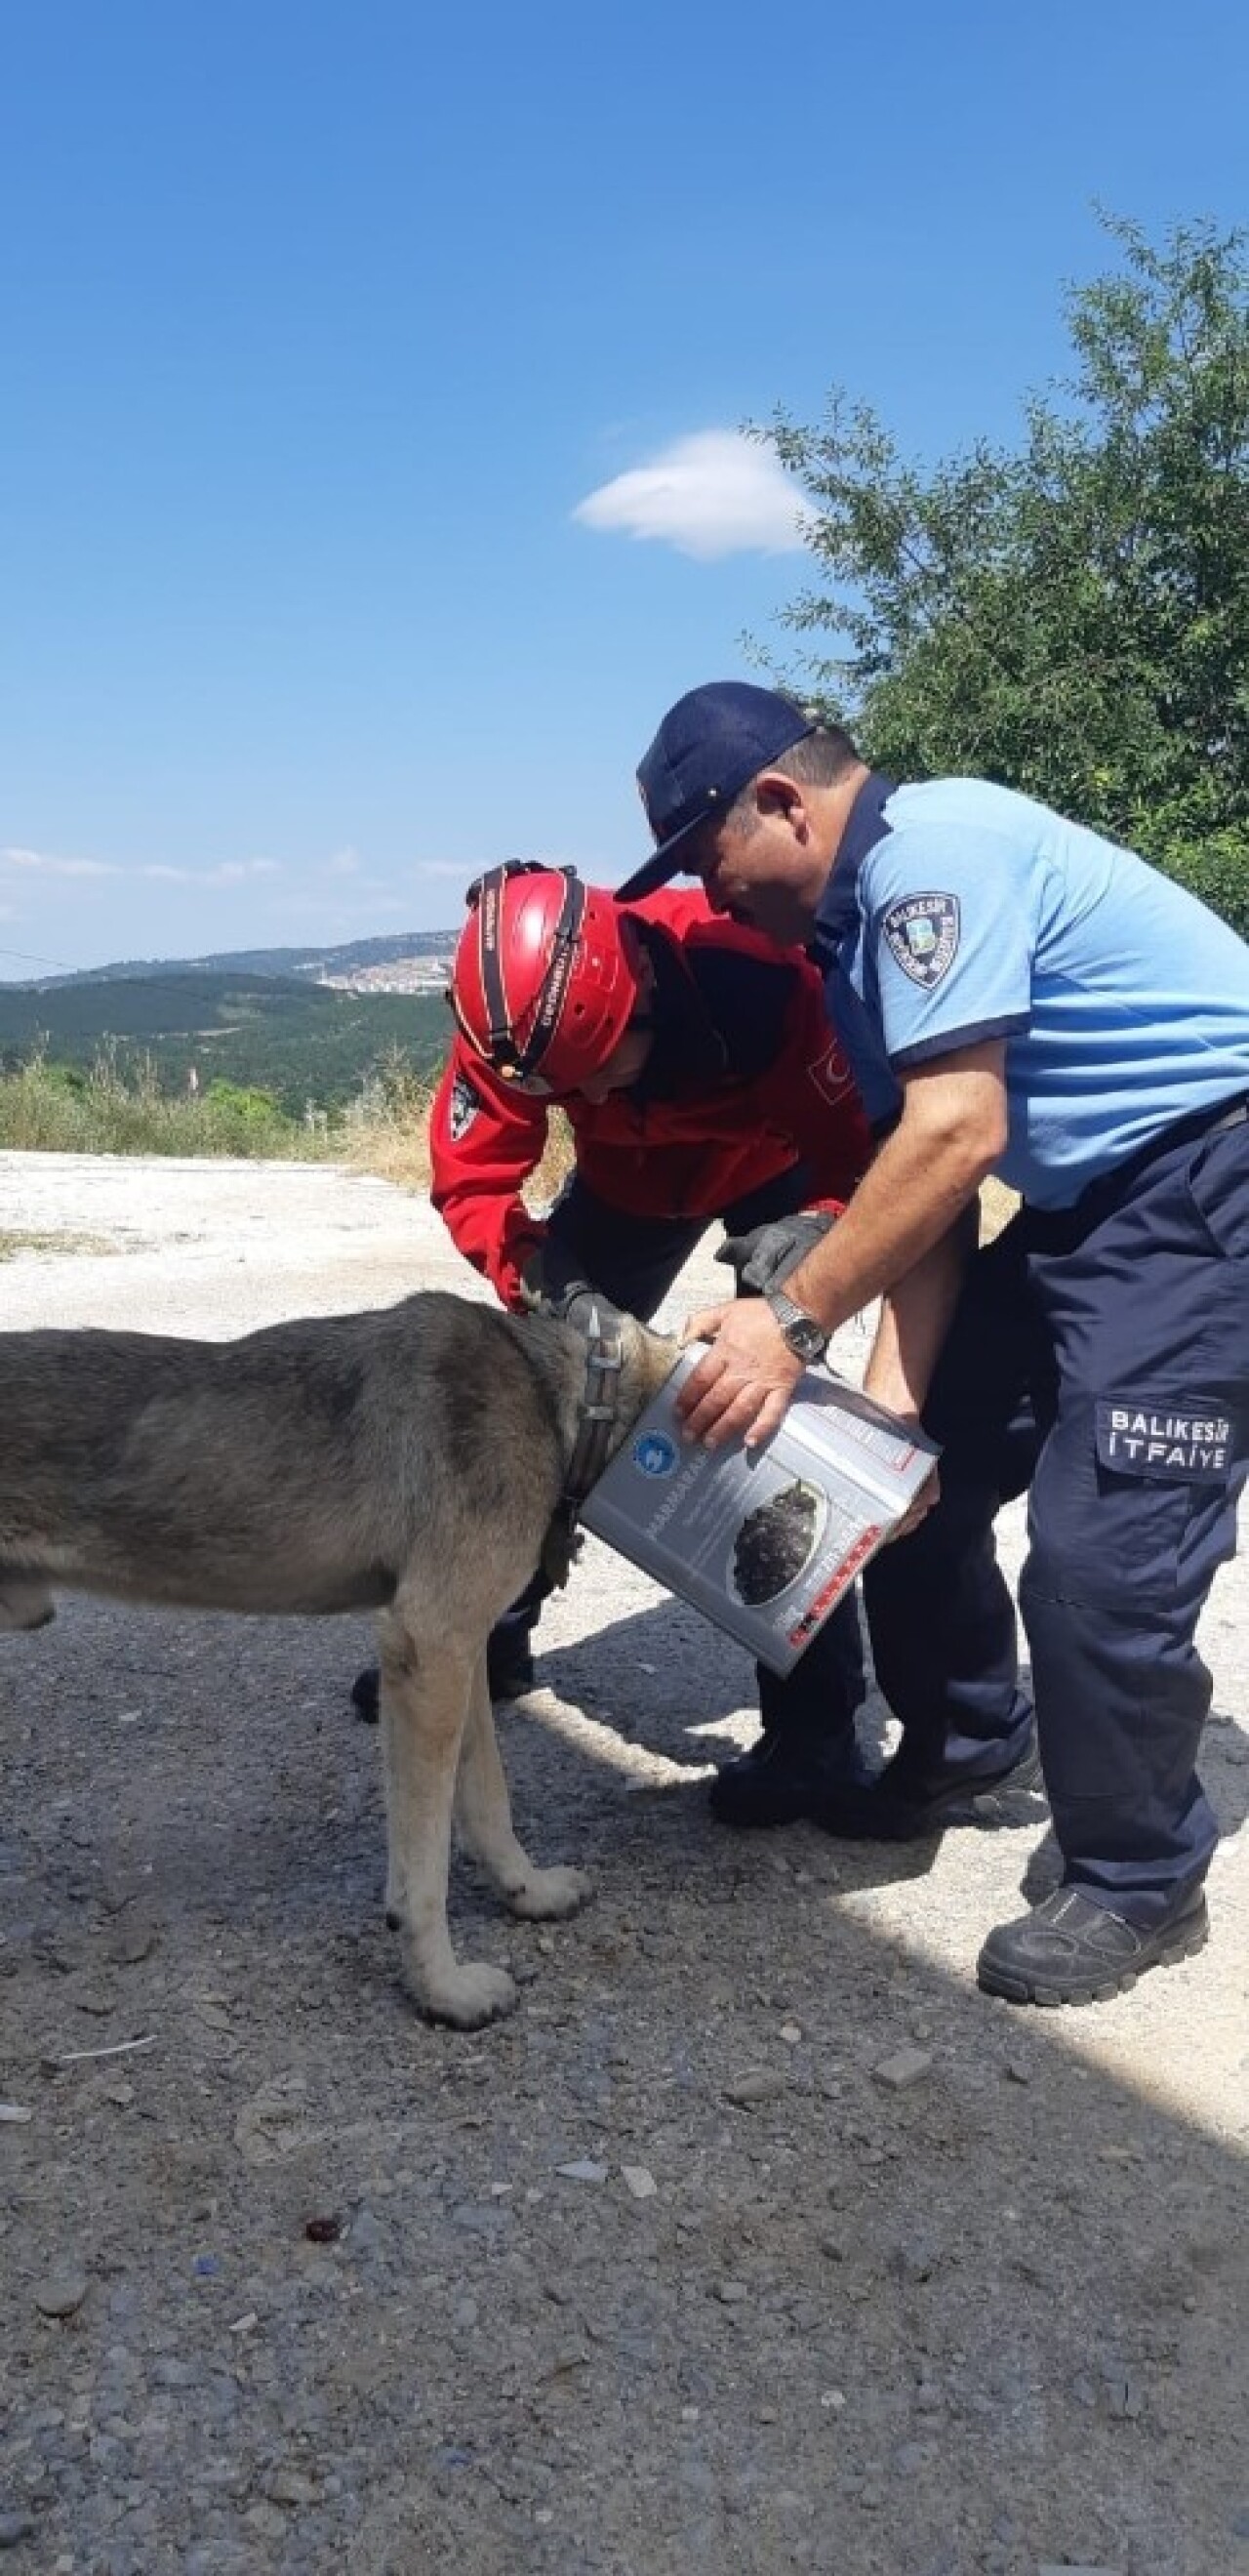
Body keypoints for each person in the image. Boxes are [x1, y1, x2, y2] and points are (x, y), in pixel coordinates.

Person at [618, 678, 1249, 2006]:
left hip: (1209, 1177)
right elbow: (937, 1185)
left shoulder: (931, 860)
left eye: (701, 853)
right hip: (1092, 1202)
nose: (706, 893)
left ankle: (1138, 1871)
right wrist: (895, 1411)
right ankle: (968, 1736)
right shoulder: (852, 950)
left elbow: (958, 1127)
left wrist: (791, 1318)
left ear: (780, 801)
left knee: (1099, 1550)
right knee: (910, 1490)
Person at [353, 858, 877, 1828]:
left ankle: (814, 1739)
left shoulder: (758, 973)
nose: (583, 1090)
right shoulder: (514, 1021)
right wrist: (542, 1279)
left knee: (768, 1439)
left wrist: (816, 1238)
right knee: (529, 1418)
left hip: (776, 1173)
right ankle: (481, 1633)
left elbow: (863, 1150)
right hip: (626, 1191)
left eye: (602, 1067)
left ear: (636, 989)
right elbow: (473, 1181)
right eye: (565, 1084)